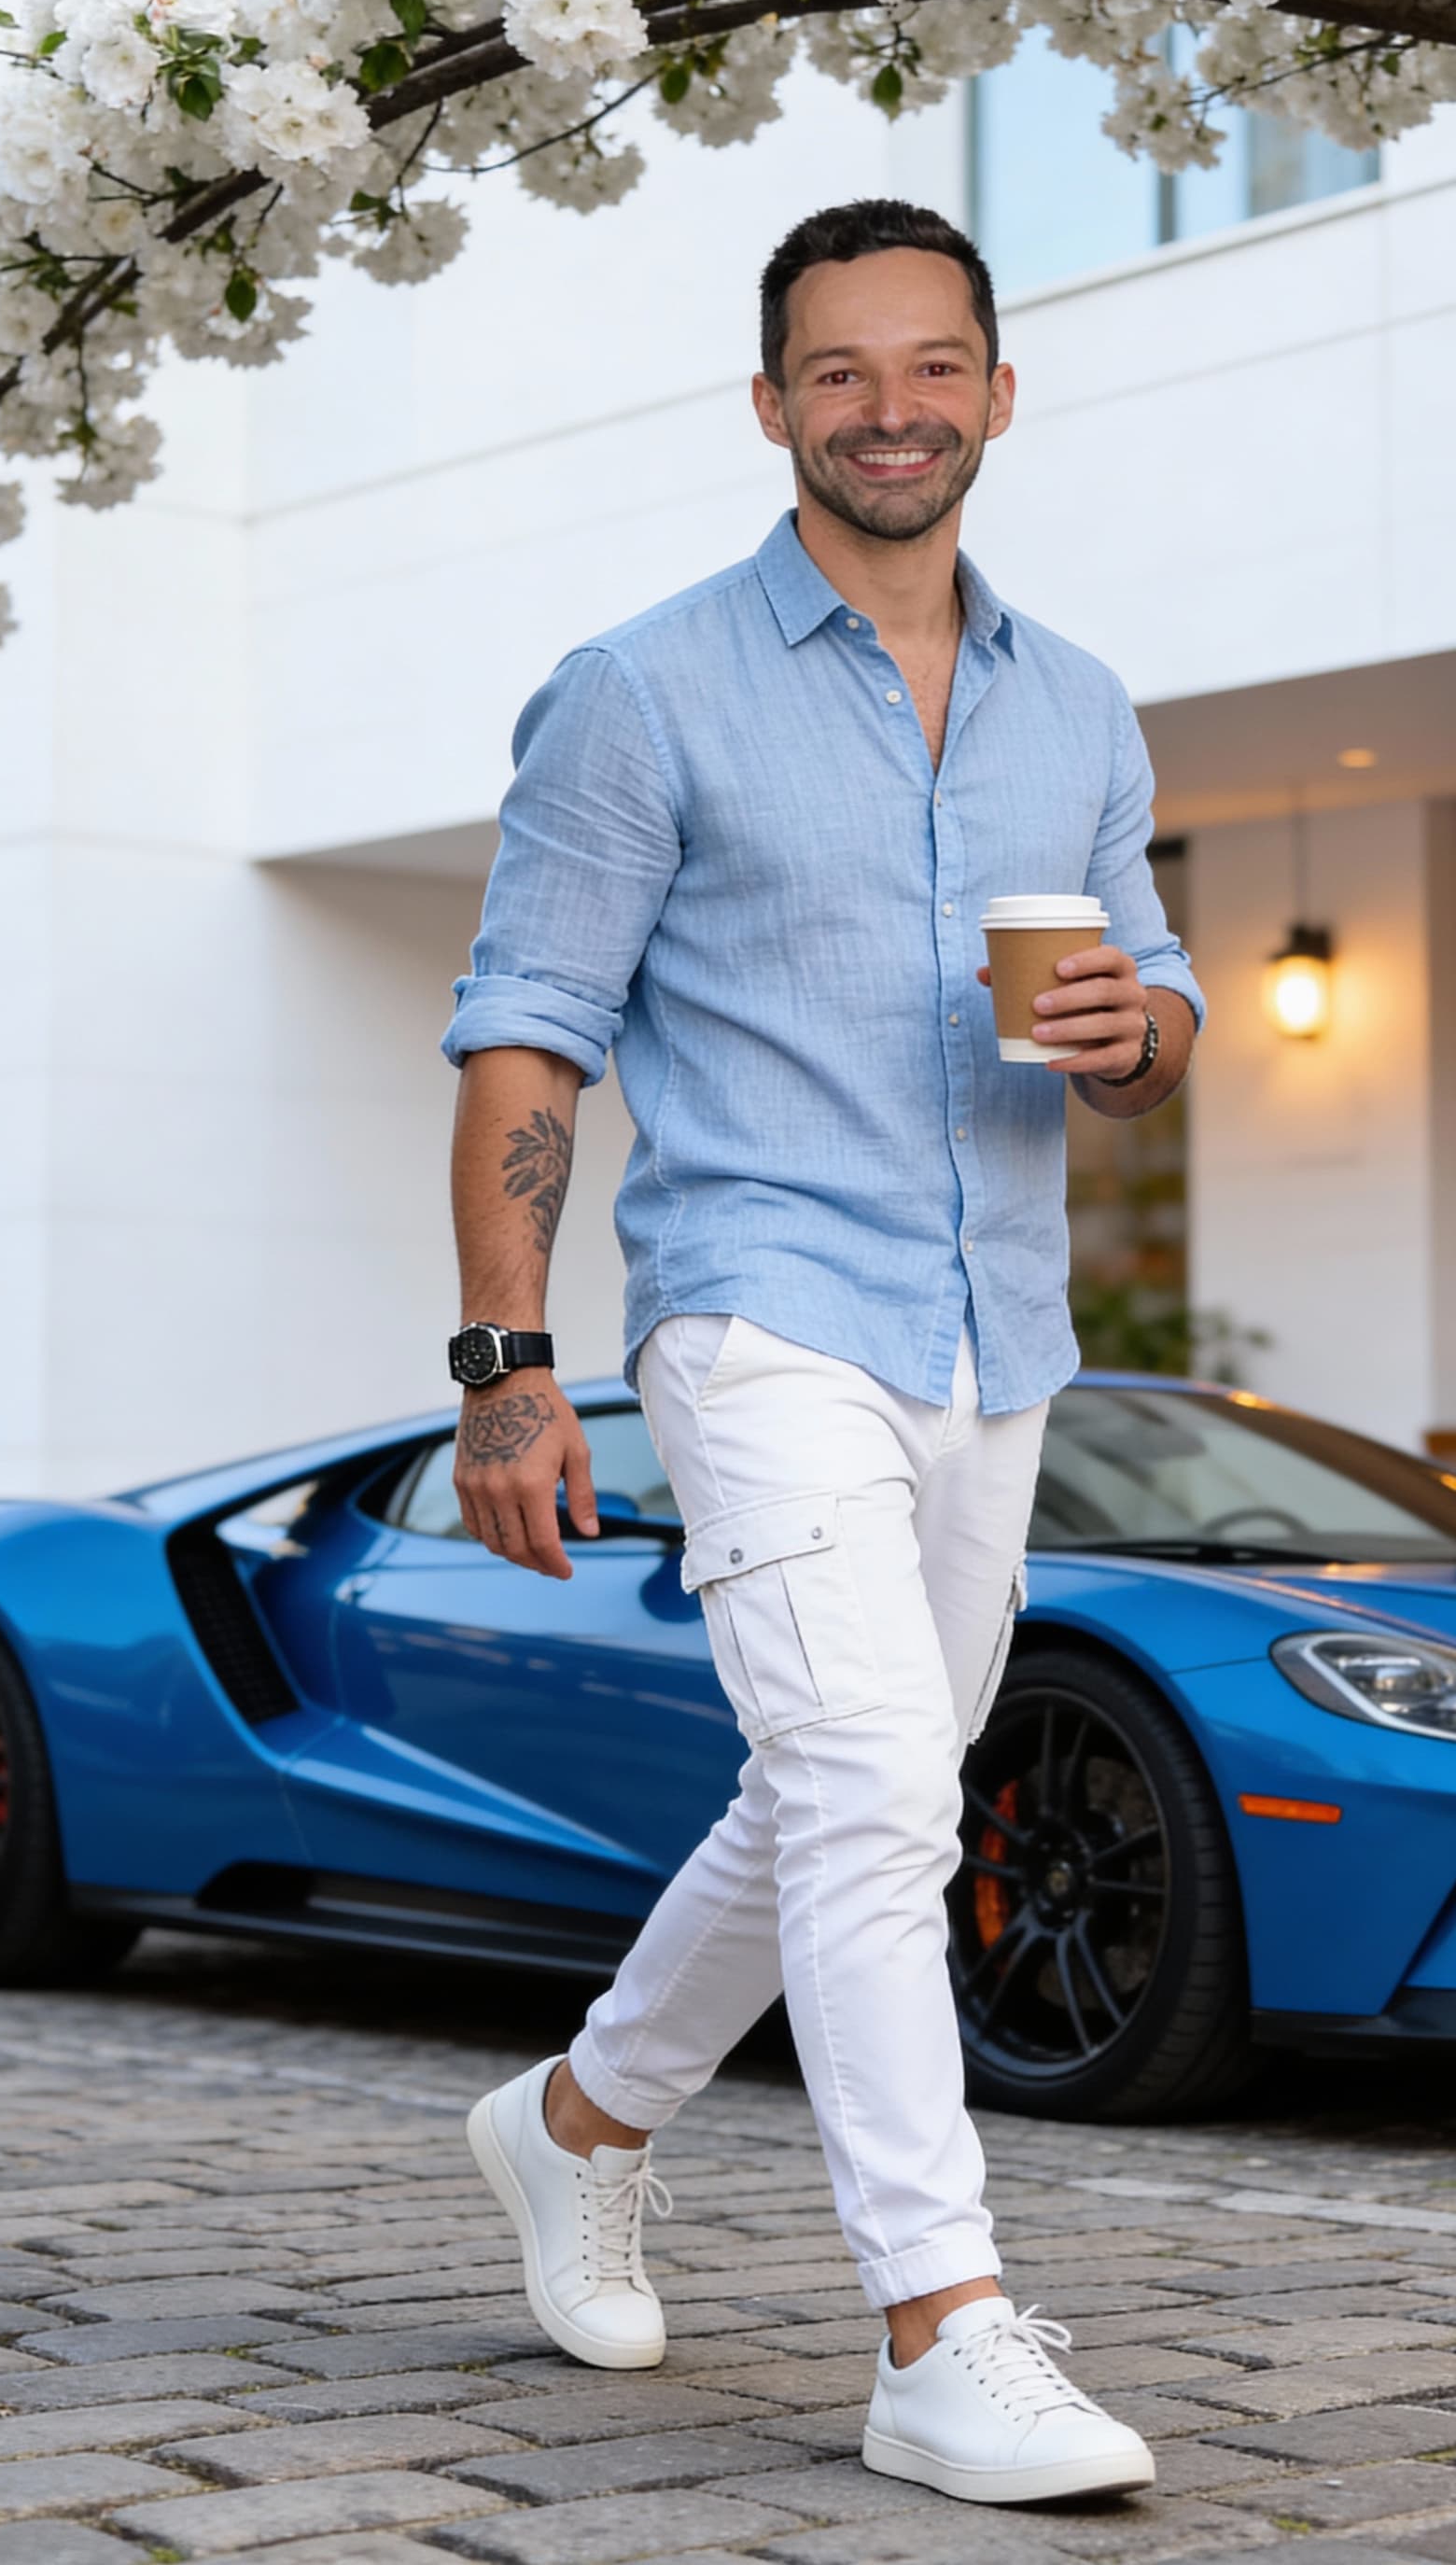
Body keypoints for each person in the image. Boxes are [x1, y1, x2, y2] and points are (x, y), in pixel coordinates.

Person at [436, 199, 1197, 2507]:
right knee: (875, 1778)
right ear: (770, 406)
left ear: (995, 387)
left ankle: (573, 2116)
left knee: (848, 1779)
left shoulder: (1076, 699)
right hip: (757, 1306)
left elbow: (1153, 997)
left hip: (996, 1325)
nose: (891, 408)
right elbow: (524, 1043)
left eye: (931, 363)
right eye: (839, 372)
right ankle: (939, 2326)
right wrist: (507, 1358)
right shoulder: (642, 686)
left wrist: (1134, 1036)